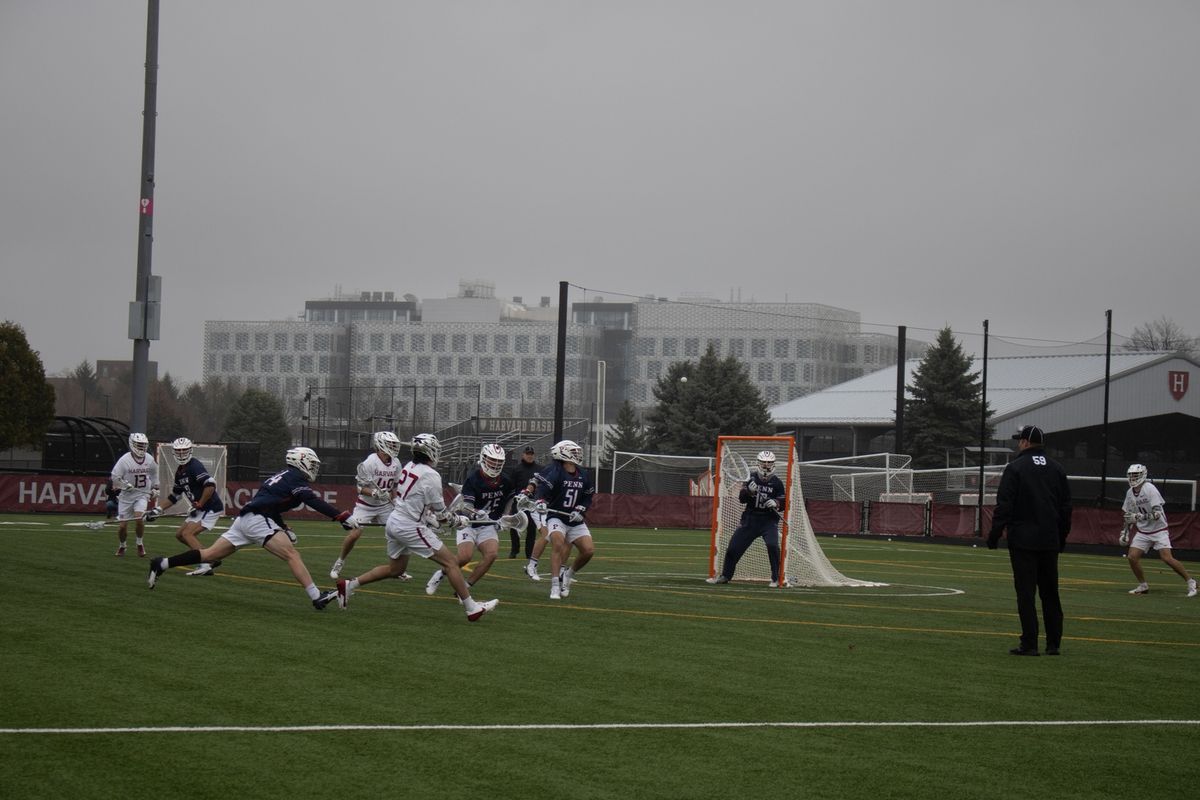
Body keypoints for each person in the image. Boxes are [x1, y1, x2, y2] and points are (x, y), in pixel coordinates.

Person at [147, 446, 349, 611]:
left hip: (245, 519)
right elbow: (311, 500)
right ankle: (317, 597)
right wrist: (339, 516)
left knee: (209, 555)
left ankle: (162, 563)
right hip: (256, 520)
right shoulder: (294, 477)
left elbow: (273, 506)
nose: (314, 468)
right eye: (312, 464)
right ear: (301, 461)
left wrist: (283, 526)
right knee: (291, 554)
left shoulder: (282, 476)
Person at [334, 433, 499, 622]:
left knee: (395, 570)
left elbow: (417, 501)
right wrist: (458, 520)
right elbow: (442, 516)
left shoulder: (408, 466)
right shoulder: (431, 475)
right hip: (409, 526)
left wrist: (433, 517)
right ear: (430, 451)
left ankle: (348, 585)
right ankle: (472, 608)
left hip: (395, 521)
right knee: (451, 563)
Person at [987, 425, 1072, 656]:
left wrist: (995, 533)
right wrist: (1061, 536)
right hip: (1049, 539)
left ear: (1025, 442)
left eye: (1019, 441)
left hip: (1023, 539)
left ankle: (1030, 642)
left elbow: (1005, 504)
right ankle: (1053, 643)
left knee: (1026, 593)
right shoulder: (1057, 469)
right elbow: (1066, 507)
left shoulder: (1015, 468)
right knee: (1050, 593)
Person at [426, 443, 517, 597]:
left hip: (488, 525)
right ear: (483, 458)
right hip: (468, 523)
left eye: (498, 461)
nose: (495, 464)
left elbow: (509, 500)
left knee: (491, 555)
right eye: (491, 460)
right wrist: (476, 514)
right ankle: (441, 574)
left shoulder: (506, 481)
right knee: (464, 557)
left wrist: (504, 517)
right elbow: (465, 506)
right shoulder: (473, 479)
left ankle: (466, 587)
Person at [329, 431, 408, 581]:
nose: (394, 447)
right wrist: (374, 494)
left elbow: (395, 486)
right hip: (366, 505)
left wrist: (395, 499)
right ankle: (340, 562)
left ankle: (398, 568)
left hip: (385, 506)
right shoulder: (370, 462)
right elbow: (360, 488)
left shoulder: (396, 463)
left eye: (394, 444)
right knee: (355, 534)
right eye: (391, 444)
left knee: (398, 533)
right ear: (380, 445)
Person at [705, 451, 789, 588]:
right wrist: (749, 491)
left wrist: (776, 502)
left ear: (773, 463)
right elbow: (742, 498)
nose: (766, 465)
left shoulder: (777, 483)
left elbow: (783, 502)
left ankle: (776, 578)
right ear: (758, 462)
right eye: (763, 462)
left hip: (769, 521)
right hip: (750, 519)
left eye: (769, 462)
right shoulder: (751, 478)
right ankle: (726, 575)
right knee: (733, 548)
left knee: (773, 546)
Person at [146, 437, 226, 577]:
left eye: (184, 451)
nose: (182, 454)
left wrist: (200, 503)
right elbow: (175, 496)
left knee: (187, 534)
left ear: (190, 451)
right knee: (180, 535)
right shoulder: (179, 472)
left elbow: (210, 486)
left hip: (209, 507)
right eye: (179, 451)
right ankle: (210, 558)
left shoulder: (195, 466)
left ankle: (206, 564)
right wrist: (157, 510)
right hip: (199, 508)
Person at [531, 439, 596, 600]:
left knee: (588, 551)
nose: (577, 455)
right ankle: (554, 586)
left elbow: (588, 496)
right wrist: (540, 502)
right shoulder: (556, 472)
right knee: (558, 544)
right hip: (557, 517)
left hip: (574, 519)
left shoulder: (582, 474)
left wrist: (581, 509)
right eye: (573, 451)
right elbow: (542, 491)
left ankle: (568, 574)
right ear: (563, 453)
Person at [1121, 463, 1196, 597]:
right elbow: (1128, 515)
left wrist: (1139, 516)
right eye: (1131, 475)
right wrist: (1125, 532)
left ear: (1143, 475)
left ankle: (1191, 581)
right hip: (1143, 531)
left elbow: (1157, 514)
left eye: (1135, 475)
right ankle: (1143, 585)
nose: (1133, 478)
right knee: (1132, 557)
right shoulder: (1129, 493)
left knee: (1167, 558)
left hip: (1159, 530)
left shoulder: (1149, 489)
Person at [110, 432, 159, 557]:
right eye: (139, 445)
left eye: (143, 445)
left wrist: (155, 488)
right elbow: (115, 477)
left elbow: (154, 474)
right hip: (126, 497)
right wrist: (124, 485)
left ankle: (140, 544)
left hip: (141, 495)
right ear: (132, 444)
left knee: (139, 519)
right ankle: (122, 545)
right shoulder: (124, 460)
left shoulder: (149, 459)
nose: (142, 448)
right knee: (122, 527)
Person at [505, 445, 542, 560]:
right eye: (527, 454)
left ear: (534, 455)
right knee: (514, 526)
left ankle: (529, 553)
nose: (529, 456)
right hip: (519, 502)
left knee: (531, 529)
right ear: (523, 455)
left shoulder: (540, 469)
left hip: (532, 503)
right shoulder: (517, 469)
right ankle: (514, 550)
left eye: (531, 454)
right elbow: (511, 486)